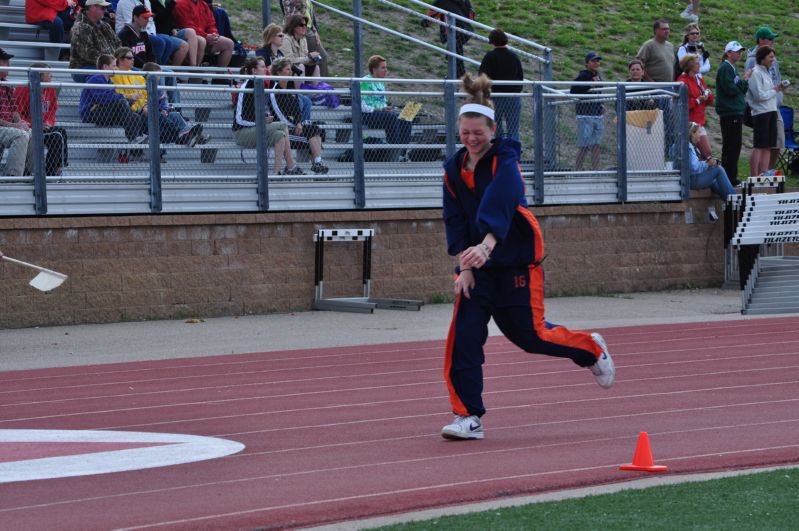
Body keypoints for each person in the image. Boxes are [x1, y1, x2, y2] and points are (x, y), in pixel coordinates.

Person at [440, 73, 615, 440]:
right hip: (478, 268)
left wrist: (487, 246)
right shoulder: (453, 169)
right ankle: (468, 416)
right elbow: (453, 218)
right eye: (465, 132)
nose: (471, 139)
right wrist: (464, 266)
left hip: (514, 262)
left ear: (491, 129)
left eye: (479, 133)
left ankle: (590, 348)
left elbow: (502, 200)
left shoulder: (505, 159)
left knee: (530, 337)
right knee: (463, 339)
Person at [232, 56, 299, 176]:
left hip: (255, 129)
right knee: (283, 125)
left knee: (280, 135)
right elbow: (239, 119)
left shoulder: (258, 85)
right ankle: (291, 165)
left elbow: (255, 112)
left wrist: (265, 117)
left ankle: (276, 172)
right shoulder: (246, 87)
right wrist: (261, 121)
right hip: (242, 133)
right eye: (262, 67)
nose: (265, 70)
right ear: (254, 71)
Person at [269, 58, 329, 174]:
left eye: (290, 69)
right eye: (287, 69)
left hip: (294, 127)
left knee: (316, 129)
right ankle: (315, 163)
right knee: (312, 132)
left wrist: (299, 123)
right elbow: (278, 112)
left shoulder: (290, 89)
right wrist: (293, 125)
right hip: (283, 130)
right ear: (278, 72)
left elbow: (297, 111)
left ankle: (317, 162)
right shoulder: (274, 90)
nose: (290, 72)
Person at [78, 53, 148, 144]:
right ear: (105, 67)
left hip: (105, 112)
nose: (116, 69)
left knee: (135, 116)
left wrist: (130, 100)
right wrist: (126, 97)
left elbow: (113, 99)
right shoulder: (96, 78)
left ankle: (137, 139)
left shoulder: (109, 82)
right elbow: (103, 99)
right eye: (114, 66)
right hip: (91, 113)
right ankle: (133, 137)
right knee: (122, 103)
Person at [14, 63, 69, 176]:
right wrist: (35, 125)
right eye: (48, 73)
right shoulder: (23, 88)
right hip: (29, 128)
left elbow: (52, 110)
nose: (51, 76)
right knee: (57, 135)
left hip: (44, 127)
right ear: (39, 75)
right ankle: (51, 172)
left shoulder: (50, 89)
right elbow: (18, 114)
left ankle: (52, 170)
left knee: (60, 132)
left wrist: (49, 122)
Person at [744, 27, 784, 172]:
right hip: (760, 110)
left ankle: (766, 173)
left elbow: (774, 82)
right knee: (760, 144)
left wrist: (778, 92)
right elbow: (758, 94)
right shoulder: (754, 68)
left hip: (773, 108)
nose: (772, 42)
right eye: (770, 39)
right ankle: (755, 176)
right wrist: (774, 91)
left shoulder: (769, 67)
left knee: (771, 144)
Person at [359, 55, 412, 163]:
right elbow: (362, 106)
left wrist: (387, 108)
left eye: (386, 68)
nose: (386, 70)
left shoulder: (380, 81)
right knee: (391, 118)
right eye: (383, 68)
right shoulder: (365, 81)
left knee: (407, 116)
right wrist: (380, 110)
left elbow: (381, 102)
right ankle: (394, 150)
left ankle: (402, 153)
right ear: (374, 70)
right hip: (368, 115)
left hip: (381, 114)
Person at [141, 62, 208, 146]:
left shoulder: (157, 88)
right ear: (150, 76)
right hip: (151, 117)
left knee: (175, 114)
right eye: (158, 75)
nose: (159, 77)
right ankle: (190, 135)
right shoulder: (143, 87)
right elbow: (145, 105)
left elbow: (163, 102)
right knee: (168, 118)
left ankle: (190, 135)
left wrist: (165, 109)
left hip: (161, 114)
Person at [715, 41, 751, 186]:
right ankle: (728, 178)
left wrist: (741, 84)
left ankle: (730, 176)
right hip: (729, 112)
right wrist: (744, 80)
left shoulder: (732, 68)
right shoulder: (725, 68)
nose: (739, 54)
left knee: (734, 146)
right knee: (731, 146)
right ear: (728, 53)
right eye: (736, 51)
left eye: (740, 51)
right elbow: (731, 90)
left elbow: (739, 90)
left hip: (734, 111)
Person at [478, 28, 523, 141]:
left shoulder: (490, 57)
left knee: (496, 127)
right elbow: (520, 76)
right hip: (513, 96)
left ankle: (499, 152)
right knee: (513, 128)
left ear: (492, 41)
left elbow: (483, 77)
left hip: (495, 97)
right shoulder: (514, 56)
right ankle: (513, 153)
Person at [115, 0, 188, 67]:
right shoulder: (124, 34)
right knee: (159, 42)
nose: (147, 20)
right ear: (135, 17)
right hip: (133, 68)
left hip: (147, 33)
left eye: (147, 18)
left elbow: (151, 54)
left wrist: (153, 66)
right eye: (144, 18)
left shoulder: (144, 33)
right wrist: (146, 66)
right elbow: (130, 57)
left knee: (167, 72)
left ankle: (159, 67)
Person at [69, 0, 120, 82]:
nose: (106, 10)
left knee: (138, 73)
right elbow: (89, 53)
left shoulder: (105, 25)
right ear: (93, 8)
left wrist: (119, 61)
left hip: (108, 65)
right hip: (84, 68)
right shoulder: (80, 27)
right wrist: (112, 63)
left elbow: (118, 44)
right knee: (110, 77)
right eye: (103, 8)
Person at [422, 0, 475, 79]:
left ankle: (457, 77)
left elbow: (430, 18)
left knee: (453, 52)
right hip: (467, 31)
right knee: (455, 51)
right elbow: (471, 17)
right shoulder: (465, 1)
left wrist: (424, 23)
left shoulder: (442, 1)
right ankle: (458, 75)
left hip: (453, 31)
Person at [172, 0, 233, 67]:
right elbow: (187, 25)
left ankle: (219, 76)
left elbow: (211, 23)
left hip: (204, 36)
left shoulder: (203, 4)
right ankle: (195, 71)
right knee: (201, 40)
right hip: (188, 38)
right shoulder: (180, 3)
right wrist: (206, 36)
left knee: (229, 43)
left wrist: (214, 34)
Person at [570, 51, 604, 171]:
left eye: (597, 61)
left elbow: (598, 93)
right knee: (584, 145)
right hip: (585, 115)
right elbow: (573, 90)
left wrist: (601, 104)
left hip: (597, 114)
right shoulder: (583, 75)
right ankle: (578, 170)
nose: (596, 63)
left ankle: (596, 170)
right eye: (593, 61)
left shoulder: (598, 75)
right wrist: (590, 85)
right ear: (586, 63)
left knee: (596, 145)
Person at [0, 48, 31, 176]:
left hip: (6, 127)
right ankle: (13, 178)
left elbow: (14, 111)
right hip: (3, 127)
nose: (9, 65)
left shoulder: (7, 84)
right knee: (21, 135)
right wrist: (15, 126)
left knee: (31, 133)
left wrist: (20, 122)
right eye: (5, 61)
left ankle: (31, 176)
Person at [677, 53, 713, 159]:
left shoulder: (698, 79)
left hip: (699, 121)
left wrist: (707, 95)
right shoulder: (682, 82)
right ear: (690, 66)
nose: (699, 66)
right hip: (690, 124)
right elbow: (682, 104)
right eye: (697, 64)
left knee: (703, 155)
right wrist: (698, 100)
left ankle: (699, 173)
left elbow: (710, 101)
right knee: (707, 153)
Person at [281, 0, 329, 77]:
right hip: (297, 27)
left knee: (317, 60)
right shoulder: (287, 38)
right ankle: (320, 84)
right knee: (318, 59)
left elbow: (309, 15)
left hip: (307, 28)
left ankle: (319, 85)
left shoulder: (303, 33)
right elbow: (289, 15)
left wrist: (315, 30)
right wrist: (309, 58)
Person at [687, 121, 735, 198]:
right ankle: (734, 200)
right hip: (691, 181)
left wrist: (707, 163)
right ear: (692, 133)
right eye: (699, 132)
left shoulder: (683, 145)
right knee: (718, 169)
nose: (700, 135)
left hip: (687, 180)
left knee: (714, 181)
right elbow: (694, 167)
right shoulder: (688, 147)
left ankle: (730, 200)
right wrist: (707, 164)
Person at [151, 0, 202, 67]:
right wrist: (171, 5)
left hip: (170, 32)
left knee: (191, 32)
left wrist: (174, 28)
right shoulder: (152, 2)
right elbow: (160, 18)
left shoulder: (168, 2)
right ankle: (173, 72)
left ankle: (194, 66)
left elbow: (171, 19)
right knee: (184, 45)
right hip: (158, 33)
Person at [279, 14, 322, 79]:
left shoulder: (303, 39)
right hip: (288, 70)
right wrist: (309, 57)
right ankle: (300, 88)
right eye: (301, 25)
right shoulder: (285, 39)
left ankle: (315, 88)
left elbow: (305, 56)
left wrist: (313, 59)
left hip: (300, 68)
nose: (304, 27)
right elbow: (289, 60)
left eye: (305, 25)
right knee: (301, 67)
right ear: (294, 26)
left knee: (316, 67)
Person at [637, 19, 674, 83]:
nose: (667, 31)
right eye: (664, 29)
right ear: (656, 30)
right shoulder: (649, 45)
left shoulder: (670, 46)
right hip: (654, 87)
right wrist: (649, 80)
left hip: (669, 85)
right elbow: (638, 63)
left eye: (668, 29)